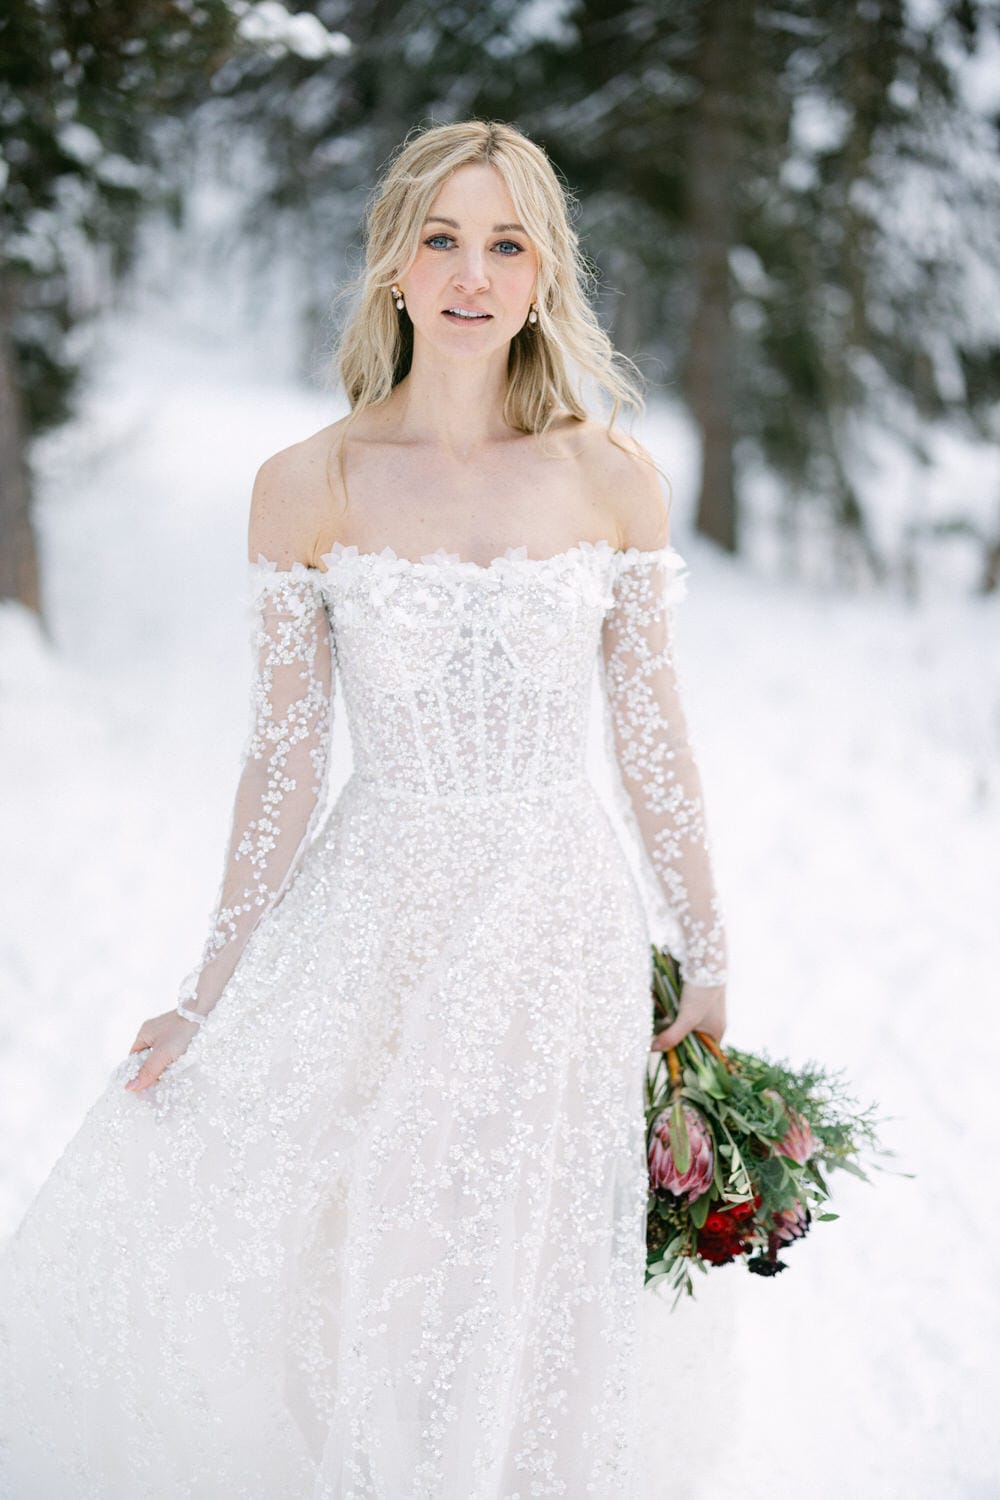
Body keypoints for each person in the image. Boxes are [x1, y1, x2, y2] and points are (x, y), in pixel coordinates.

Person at [0, 119, 727, 1497]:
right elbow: (279, 769)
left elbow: (653, 741)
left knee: (521, 1259)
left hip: (555, 922)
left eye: (505, 242)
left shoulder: (609, 478)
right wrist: (211, 991)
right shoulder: (308, 484)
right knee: (374, 1257)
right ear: (394, 265)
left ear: (542, 273)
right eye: (441, 239)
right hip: (378, 916)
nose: (471, 273)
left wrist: (710, 948)